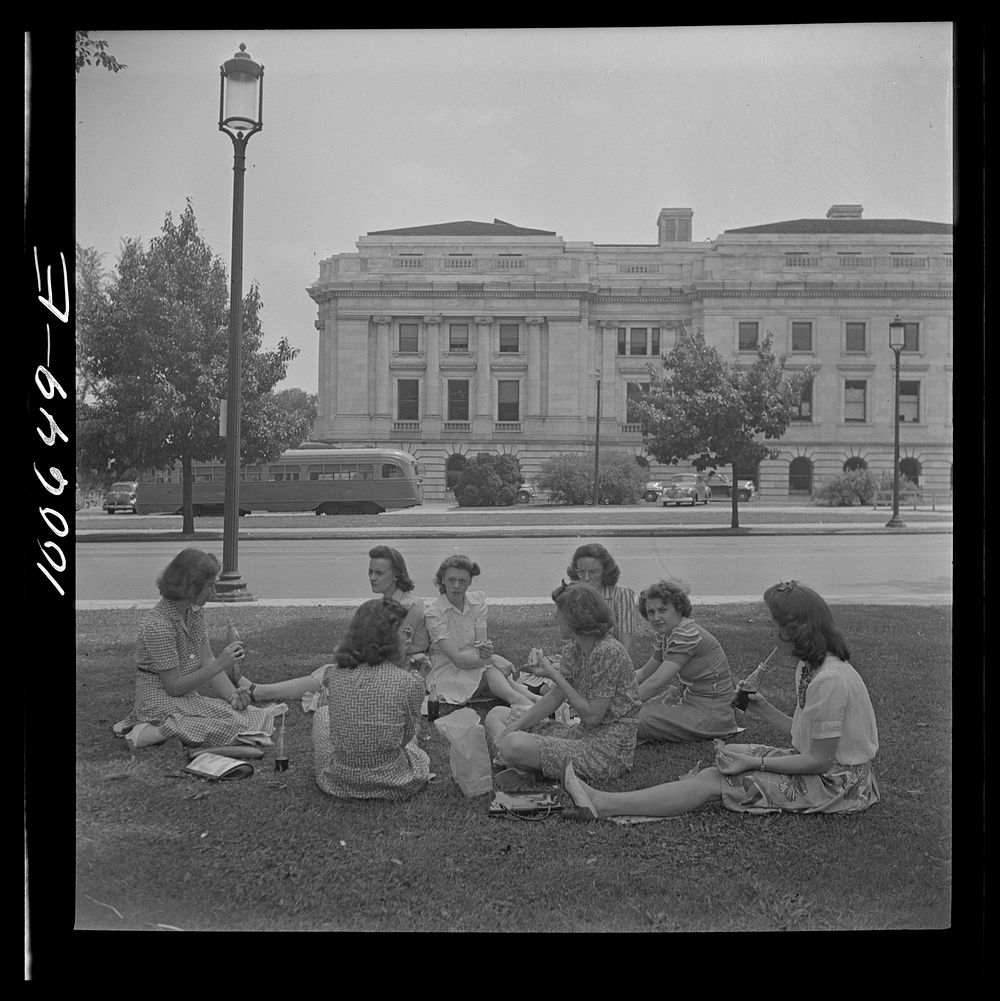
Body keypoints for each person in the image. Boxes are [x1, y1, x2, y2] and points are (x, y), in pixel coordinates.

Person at [560, 580, 881, 819]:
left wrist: (756, 763)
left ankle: (603, 804)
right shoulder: (811, 667)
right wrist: (762, 708)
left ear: (794, 630)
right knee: (730, 754)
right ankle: (677, 789)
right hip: (827, 770)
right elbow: (805, 735)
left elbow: (820, 760)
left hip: (840, 785)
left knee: (715, 778)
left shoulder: (830, 680)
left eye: (773, 625)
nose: (770, 632)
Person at [117, 549, 323, 751]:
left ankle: (173, 729)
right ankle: (148, 732)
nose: (213, 592)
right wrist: (221, 664)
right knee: (233, 726)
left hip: (183, 698)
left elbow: (206, 660)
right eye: (209, 586)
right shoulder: (159, 625)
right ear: (191, 588)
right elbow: (174, 687)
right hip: (158, 700)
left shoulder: (193, 613)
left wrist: (234, 696)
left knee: (252, 716)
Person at [485, 581, 641, 783]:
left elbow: (593, 716)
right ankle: (524, 767)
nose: (555, 616)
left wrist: (554, 674)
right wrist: (513, 727)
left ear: (575, 618)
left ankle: (522, 764)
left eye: (559, 611)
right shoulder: (574, 649)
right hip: (581, 735)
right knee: (497, 715)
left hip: (606, 750)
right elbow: (554, 698)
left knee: (513, 744)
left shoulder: (607, 651)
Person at [312, 598, 430, 800]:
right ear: (389, 637)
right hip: (395, 781)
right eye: (405, 633)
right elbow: (407, 736)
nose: (409, 640)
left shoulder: (334, 674)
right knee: (412, 745)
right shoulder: (410, 681)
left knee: (322, 714)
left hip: (340, 780)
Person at [423, 554, 541, 709]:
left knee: (491, 670)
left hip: (476, 665)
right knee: (492, 669)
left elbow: (481, 648)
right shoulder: (435, 612)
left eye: (462, 581)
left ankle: (531, 700)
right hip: (447, 670)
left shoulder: (476, 602)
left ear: (470, 582)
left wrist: (487, 653)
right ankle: (523, 701)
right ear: (443, 580)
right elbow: (457, 659)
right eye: (451, 580)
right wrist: (492, 658)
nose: (456, 586)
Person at [633, 579, 738, 743]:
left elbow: (656, 682)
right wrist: (609, 691)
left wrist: (619, 706)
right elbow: (645, 673)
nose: (656, 617)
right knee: (632, 716)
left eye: (663, 610)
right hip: (692, 702)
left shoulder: (686, 634)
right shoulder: (668, 634)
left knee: (632, 720)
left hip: (711, 714)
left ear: (679, 609)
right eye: (651, 612)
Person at [566, 543, 642, 657]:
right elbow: (572, 645)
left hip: (612, 662)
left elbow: (624, 648)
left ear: (605, 571)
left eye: (593, 572)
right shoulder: (574, 596)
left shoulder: (622, 595)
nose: (586, 578)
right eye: (581, 572)